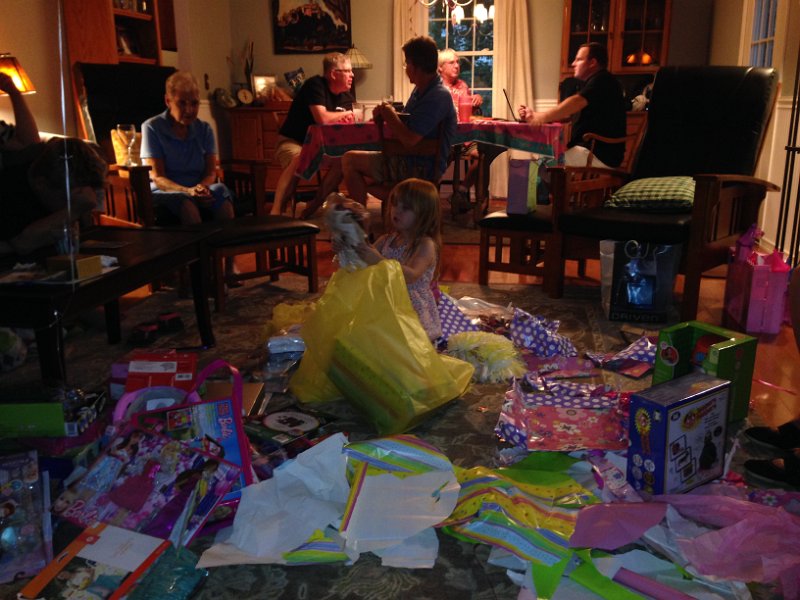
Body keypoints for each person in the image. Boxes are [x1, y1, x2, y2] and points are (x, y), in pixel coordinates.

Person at [342, 36, 457, 208]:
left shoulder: (438, 95)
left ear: (416, 67)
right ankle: (378, 209)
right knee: (349, 164)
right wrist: (389, 114)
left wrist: (390, 115)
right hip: (411, 159)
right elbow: (409, 122)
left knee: (349, 160)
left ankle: (360, 219)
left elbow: (410, 140)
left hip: (420, 167)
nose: (406, 69)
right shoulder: (421, 90)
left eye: (406, 64)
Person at [345, 178, 442, 342]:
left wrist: (378, 260)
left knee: (403, 344)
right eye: (395, 204)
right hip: (385, 302)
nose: (397, 210)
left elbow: (411, 275)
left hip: (410, 310)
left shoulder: (426, 245)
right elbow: (362, 261)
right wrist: (348, 245)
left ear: (424, 214)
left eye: (406, 208)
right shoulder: (387, 239)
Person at [271, 52, 355, 217]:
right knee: (300, 158)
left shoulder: (346, 96)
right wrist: (345, 115)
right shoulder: (315, 85)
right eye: (348, 71)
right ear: (333, 74)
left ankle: (313, 206)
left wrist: (347, 119)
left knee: (344, 160)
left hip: (324, 146)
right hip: (294, 141)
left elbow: (346, 125)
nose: (352, 75)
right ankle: (276, 211)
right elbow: (322, 118)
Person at [519, 42, 625, 169]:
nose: (573, 64)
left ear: (592, 63)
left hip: (599, 155)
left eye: (579, 59)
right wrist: (534, 114)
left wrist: (539, 118)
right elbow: (568, 115)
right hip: (589, 151)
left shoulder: (603, 80)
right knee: (541, 162)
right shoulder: (593, 83)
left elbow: (576, 102)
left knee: (537, 168)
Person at [0, 137, 106, 257]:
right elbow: (23, 244)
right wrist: (74, 210)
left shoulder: (68, 183)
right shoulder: (8, 189)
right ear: (41, 184)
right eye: (66, 199)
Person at [438, 48, 482, 213]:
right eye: (451, 62)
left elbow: (467, 111)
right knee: (439, 159)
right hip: (445, 136)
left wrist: (476, 99)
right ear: (440, 67)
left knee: (481, 155)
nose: (457, 65)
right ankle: (431, 196)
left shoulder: (463, 85)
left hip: (464, 136)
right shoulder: (436, 87)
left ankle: (461, 192)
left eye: (457, 62)